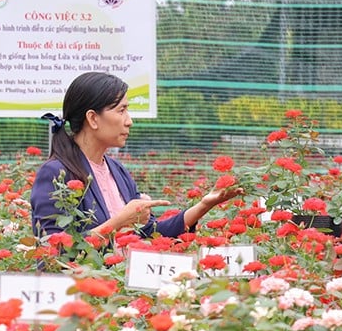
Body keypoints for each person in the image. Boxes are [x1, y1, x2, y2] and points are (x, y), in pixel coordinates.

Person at [30, 71, 240, 239]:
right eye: (121, 111)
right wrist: (120, 222)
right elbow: (53, 252)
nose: (129, 120)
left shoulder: (116, 170)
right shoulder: (56, 173)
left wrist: (204, 205)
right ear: (93, 118)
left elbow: (149, 233)